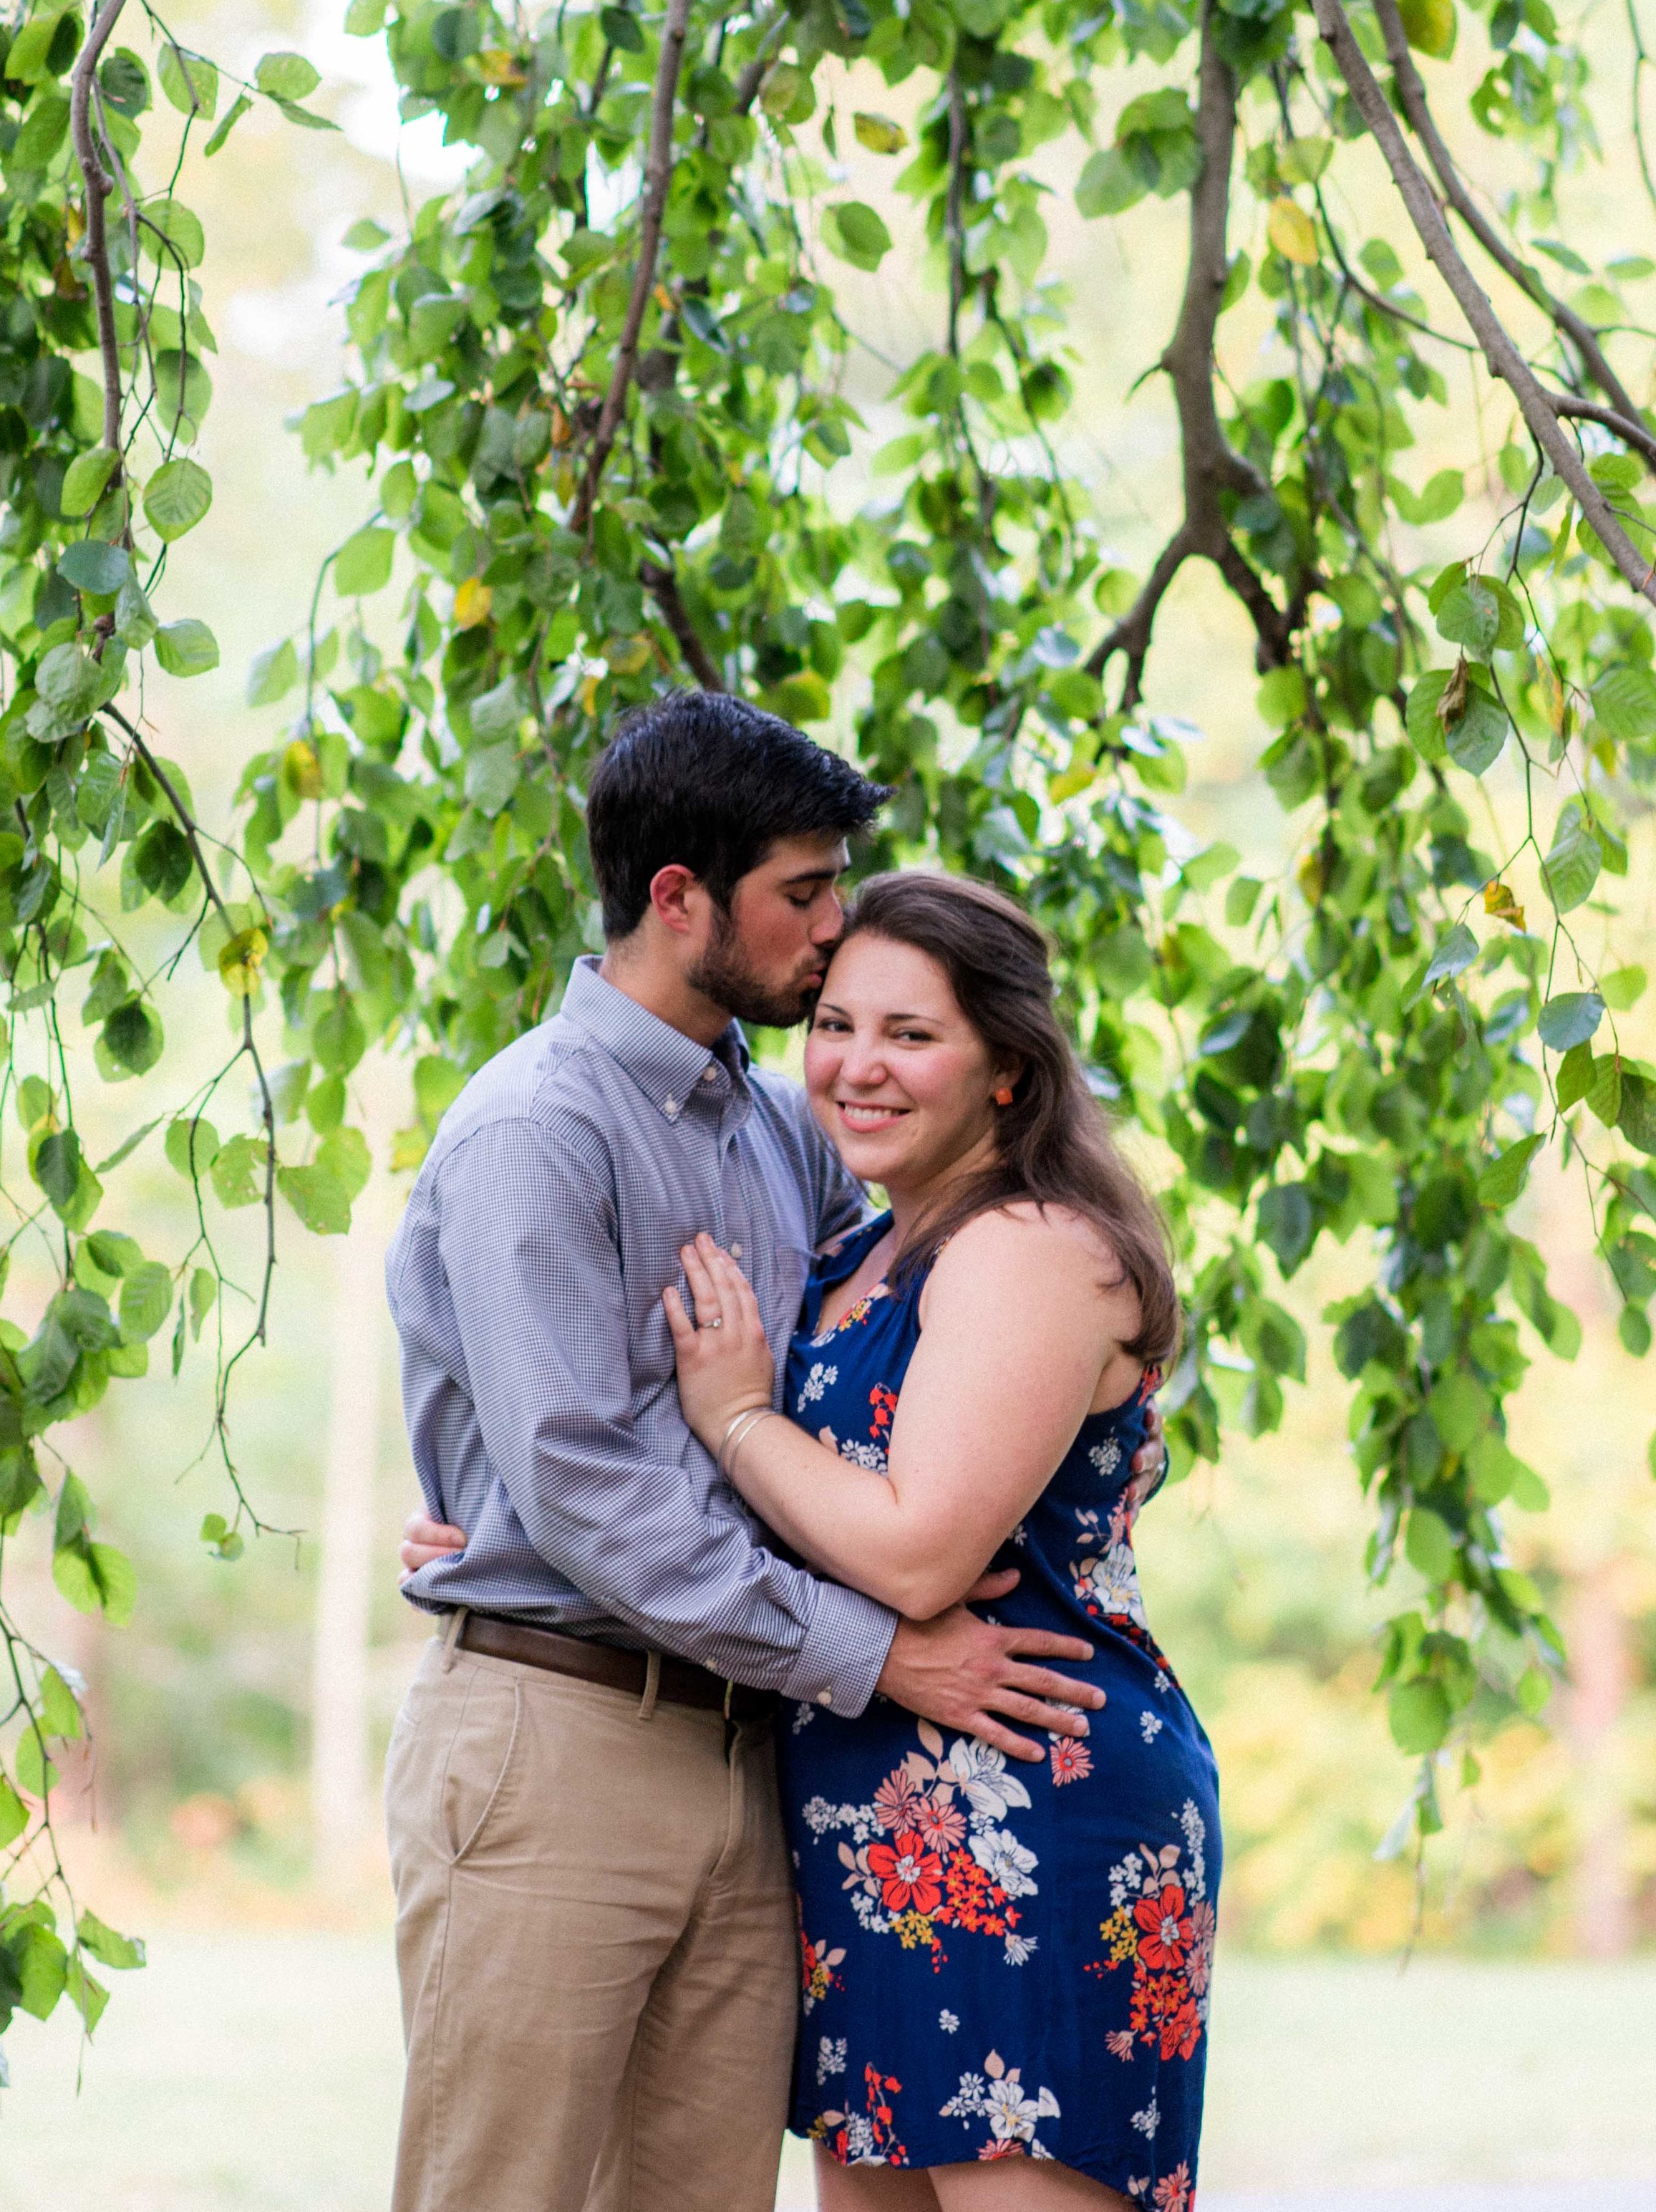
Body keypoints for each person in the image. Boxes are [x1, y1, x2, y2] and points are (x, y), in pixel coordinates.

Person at [384, 694, 1163, 2212]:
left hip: (753, 1753)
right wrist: (877, 1653)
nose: (827, 935)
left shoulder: (774, 1127)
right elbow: (585, 1489)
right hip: (564, 1735)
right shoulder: (536, 1130)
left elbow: (868, 1408)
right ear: (680, 900)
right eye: (800, 895)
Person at [657, 871, 1220, 2212]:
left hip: (1037, 1801)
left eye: (911, 1034)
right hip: (874, 1828)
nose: (857, 1066)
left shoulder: (1031, 1247)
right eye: (835, 1023)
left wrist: (737, 1417)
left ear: (1009, 1068)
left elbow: (916, 1554)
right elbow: (789, 1507)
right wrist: (494, 1533)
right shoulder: (862, 1247)